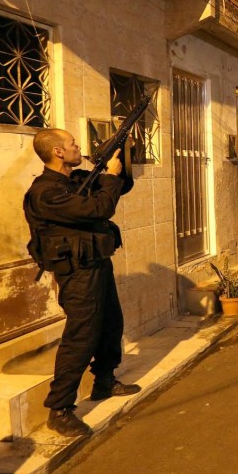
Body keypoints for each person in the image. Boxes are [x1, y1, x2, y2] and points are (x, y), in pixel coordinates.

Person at [24, 129, 141, 438]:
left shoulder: (75, 181)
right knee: (81, 336)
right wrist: (112, 177)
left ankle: (104, 380)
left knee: (110, 324)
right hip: (76, 273)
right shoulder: (46, 193)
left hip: (96, 263)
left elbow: (118, 186)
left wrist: (122, 157)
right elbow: (99, 208)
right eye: (73, 144)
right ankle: (59, 409)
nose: (78, 147)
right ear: (58, 152)